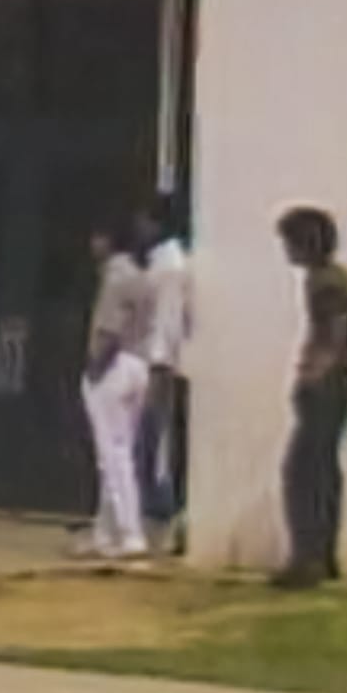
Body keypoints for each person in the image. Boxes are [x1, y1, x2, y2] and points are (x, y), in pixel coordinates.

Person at [274, 205, 347, 589]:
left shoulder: (322, 282)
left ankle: (308, 557)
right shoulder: (336, 279)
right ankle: (320, 555)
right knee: (321, 469)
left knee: (303, 472)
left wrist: (312, 375)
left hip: (324, 383)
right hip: (336, 384)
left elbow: (334, 333)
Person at [75, 219, 157, 566]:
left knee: (112, 453)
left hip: (115, 366)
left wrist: (94, 368)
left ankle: (129, 531)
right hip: (140, 362)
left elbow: (110, 328)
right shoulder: (141, 277)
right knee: (120, 449)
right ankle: (106, 532)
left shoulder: (115, 278)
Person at [134, 193, 193, 549]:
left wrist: (159, 364)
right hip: (151, 359)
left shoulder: (169, 265)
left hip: (159, 362)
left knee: (154, 444)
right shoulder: (158, 263)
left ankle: (162, 518)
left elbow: (168, 320)